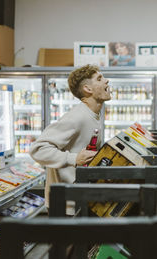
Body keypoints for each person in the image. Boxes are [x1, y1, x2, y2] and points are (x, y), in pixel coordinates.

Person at [30, 64, 111, 214]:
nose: (107, 81)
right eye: (100, 79)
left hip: (79, 200)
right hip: (65, 205)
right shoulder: (77, 117)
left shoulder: (93, 115)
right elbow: (38, 149)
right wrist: (73, 159)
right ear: (88, 89)